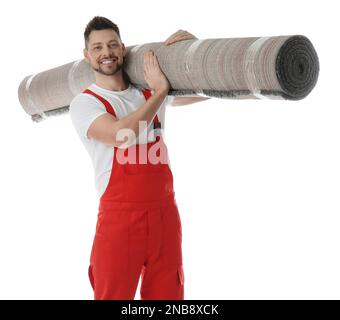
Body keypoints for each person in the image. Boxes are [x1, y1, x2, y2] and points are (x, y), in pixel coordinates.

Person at [69, 16, 208, 300]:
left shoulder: (147, 89)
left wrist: (193, 46)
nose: (106, 52)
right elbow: (122, 135)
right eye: (97, 48)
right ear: (87, 56)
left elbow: (206, 91)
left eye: (111, 45)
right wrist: (160, 92)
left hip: (165, 216)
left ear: (123, 48)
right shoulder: (86, 102)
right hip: (120, 222)